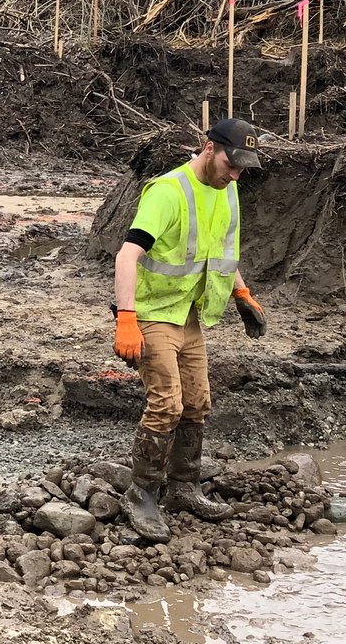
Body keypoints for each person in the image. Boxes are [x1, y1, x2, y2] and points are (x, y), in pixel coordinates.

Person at [111, 118, 271, 543]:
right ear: (208, 148)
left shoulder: (227, 190)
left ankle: (183, 487)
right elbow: (127, 257)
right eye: (230, 163)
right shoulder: (168, 192)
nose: (235, 174)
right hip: (152, 312)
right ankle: (141, 493)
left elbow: (219, 251)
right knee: (166, 404)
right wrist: (125, 318)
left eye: (242, 168)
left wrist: (242, 293)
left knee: (197, 402)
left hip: (190, 315)